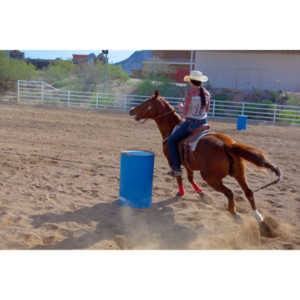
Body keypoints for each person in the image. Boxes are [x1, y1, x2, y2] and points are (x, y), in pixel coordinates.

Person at [167, 70, 211, 177]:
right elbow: (207, 110)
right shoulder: (207, 93)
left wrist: (180, 107)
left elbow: (185, 112)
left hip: (191, 124)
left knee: (171, 141)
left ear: (191, 81)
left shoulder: (190, 93)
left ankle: (176, 168)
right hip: (203, 123)